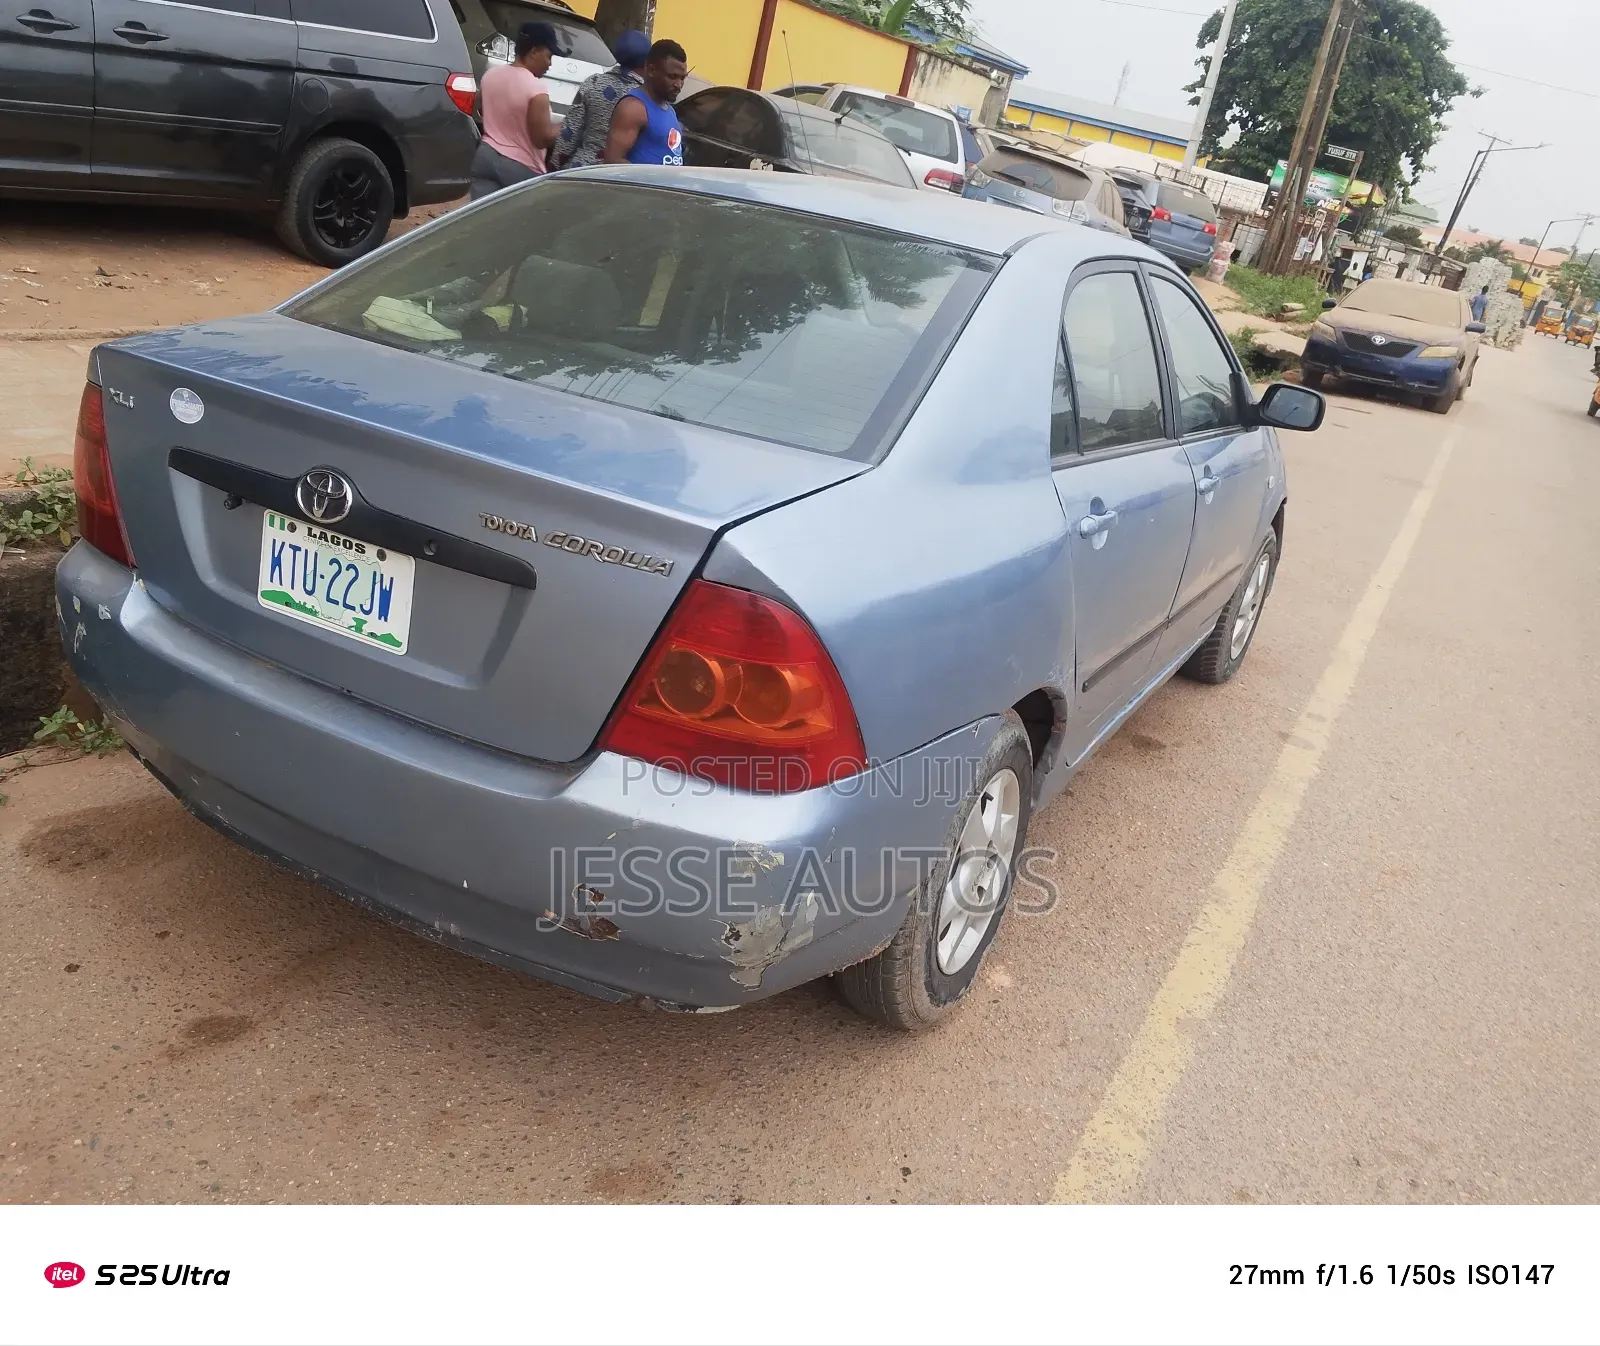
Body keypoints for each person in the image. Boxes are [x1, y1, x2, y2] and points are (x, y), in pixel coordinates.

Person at [469, 21, 568, 200]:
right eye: (549, 56)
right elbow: (541, 139)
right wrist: (566, 125)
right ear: (534, 51)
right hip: (520, 168)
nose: (550, 64)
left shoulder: (490, 76)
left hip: (485, 155)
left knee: (484, 223)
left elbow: (478, 109)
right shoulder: (536, 89)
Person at [549, 29, 650, 170]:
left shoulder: (593, 83)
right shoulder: (646, 97)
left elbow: (569, 133)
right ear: (647, 62)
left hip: (580, 169)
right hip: (620, 175)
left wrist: (553, 168)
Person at [602, 40, 689, 167]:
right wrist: (653, 180)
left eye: (682, 78)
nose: (678, 85)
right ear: (651, 70)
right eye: (672, 76)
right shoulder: (633, 108)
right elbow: (612, 162)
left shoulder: (669, 110)